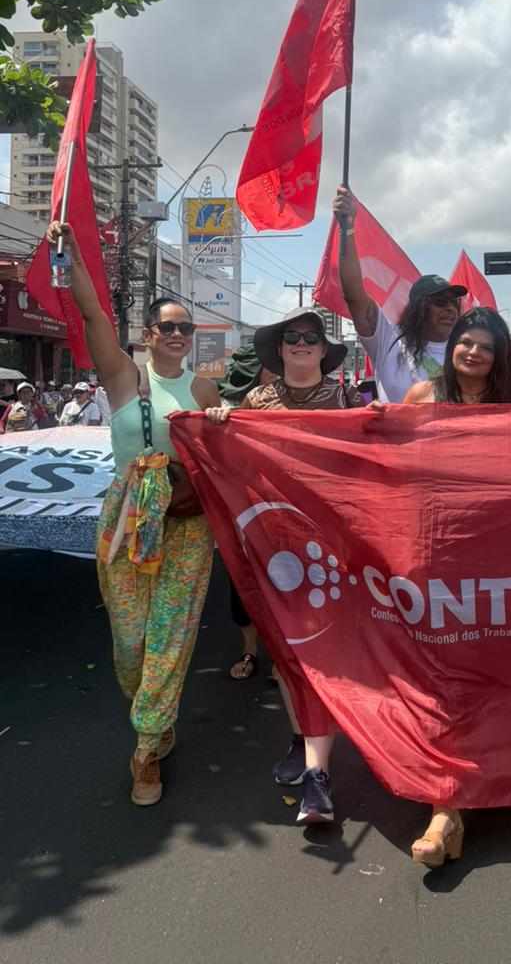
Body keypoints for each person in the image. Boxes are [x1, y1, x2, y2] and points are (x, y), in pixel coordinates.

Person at [44, 219, 221, 807]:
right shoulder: (123, 377)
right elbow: (93, 315)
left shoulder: (204, 390)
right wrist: (70, 256)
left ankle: (146, 748)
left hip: (186, 525)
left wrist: (222, 422)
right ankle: (154, 712)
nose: (178, 334)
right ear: (147, 335)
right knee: (131, 641)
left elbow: (222, 457)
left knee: (170, 636)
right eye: (167, 326)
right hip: (125, 525)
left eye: (186, 328)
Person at [206, 308, 361, 824]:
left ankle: (318, 769)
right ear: (280, 350)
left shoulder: (346, 399)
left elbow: (366, 458)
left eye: (310, 337)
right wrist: (220, 424)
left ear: (323, 349)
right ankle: (301, 738)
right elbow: (238, 461)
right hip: (274, 541)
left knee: (321, 650)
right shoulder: (256, 401)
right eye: (291, 337)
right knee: (286, 653)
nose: (300, 343)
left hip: (328, 542)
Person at [401, 307, 511, 864]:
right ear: (451, 348)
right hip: (433, 552)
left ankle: (461, 801)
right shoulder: (422, 396)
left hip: (498, 555)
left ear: (500, 358)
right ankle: (445, 807)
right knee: (439, 674)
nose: (473, 352)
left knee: (485, 675)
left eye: (486, 347)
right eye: (465, 342)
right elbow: (380, 454)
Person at [332, 186, 467, 402]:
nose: (450, 308)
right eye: (441, 302)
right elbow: (353, 294)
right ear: (419, 309)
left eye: (454, 302)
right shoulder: (389, 342)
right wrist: (346, 229)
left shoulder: (467, 352)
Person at [214, 343, 279, 681]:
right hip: (244, 509)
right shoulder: (231, 410)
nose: (275, 372)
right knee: (243, 579)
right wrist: (217, 421)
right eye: (268, 366)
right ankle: (250, 649)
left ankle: (284, 656)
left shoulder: (297, 401)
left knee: (286, 581)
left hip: (285, 511)